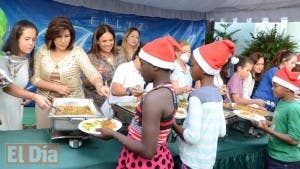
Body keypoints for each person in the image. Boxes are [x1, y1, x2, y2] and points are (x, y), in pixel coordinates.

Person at [95, 36, 182, 169]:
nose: (140, 68)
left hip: (144, 164)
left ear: (155, 67)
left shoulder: (153, 98)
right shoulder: (169, 91)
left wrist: (113, 133)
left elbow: (147, 151)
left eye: (142, 63)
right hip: (160, 157)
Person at [31, 16, 109, 129]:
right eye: (59, 36)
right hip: (45, 103)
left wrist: (99, 85)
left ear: (71, 36)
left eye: (67, 36)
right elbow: (34, 78)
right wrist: (55, 87)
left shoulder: (77, 52)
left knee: (70, 137)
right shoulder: (43, 51)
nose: (63, 41)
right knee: (45, 137)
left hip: (73, 104)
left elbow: (91, 71)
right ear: (52, 36)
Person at [172, 40, 234, 169]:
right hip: (207, 161)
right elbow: (222, 131)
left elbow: (192, 137)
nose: (190, 69)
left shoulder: (196, 97)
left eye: (193, 65)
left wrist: (172, 124)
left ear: (203, 69)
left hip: (191, 161)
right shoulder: (217, 96)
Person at [0, 20, 51, 130]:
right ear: (16, 38)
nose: (31, 43)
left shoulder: (25, 61)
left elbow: (17, 84)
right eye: (27, 39)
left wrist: (25, 94)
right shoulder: (3, 59)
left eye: (34, 39)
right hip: (2, 110)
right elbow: (7, 87)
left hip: (16, 108)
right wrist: (33, 96)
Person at [254, 67, 300, 169]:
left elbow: (294, 140)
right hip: (273, 154)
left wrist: (268, 130)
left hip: (285, 161)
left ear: (288, 88)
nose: (272, 88)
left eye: (275, 86)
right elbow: (280, 124)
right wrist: (267, 123)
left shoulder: (294, 108)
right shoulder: (281, 102)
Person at [83, 24, 126, 110]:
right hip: (98, 103)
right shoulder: (90, 57)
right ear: (97, 42)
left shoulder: (120, 52)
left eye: (111, 40)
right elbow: (85, 83)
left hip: (119, 102)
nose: (108, 44)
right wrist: (95, 74)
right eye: (104, 41)